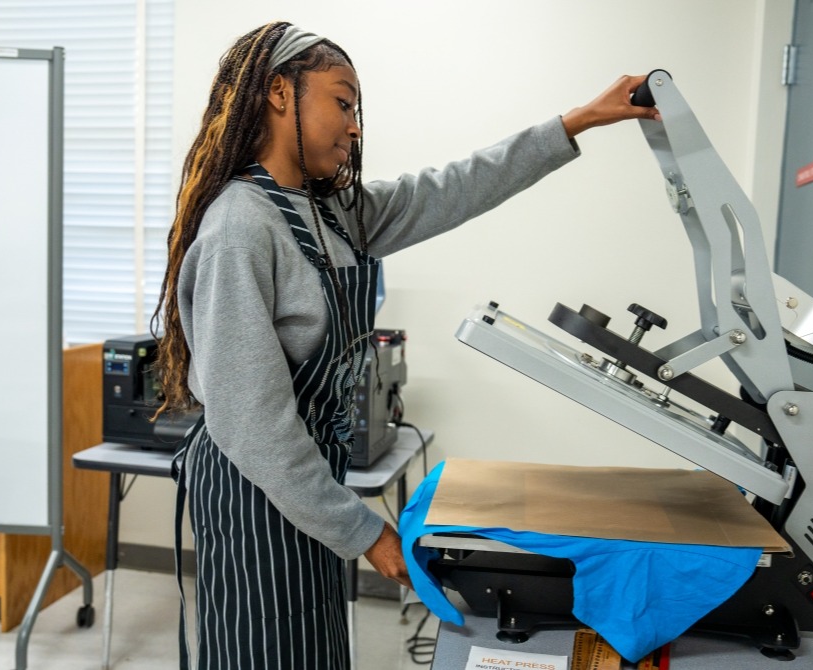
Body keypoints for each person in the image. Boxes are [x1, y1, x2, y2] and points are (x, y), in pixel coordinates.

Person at [151, 20, 659, 670]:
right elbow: (253, 425)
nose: (355, 127)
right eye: (342, 103)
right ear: (278, 92)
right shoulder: (240, 229)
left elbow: (450, 187)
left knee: (314, 649)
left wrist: (575, 122)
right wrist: (365, 532)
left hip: (308, 485)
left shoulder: (330, 210)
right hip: (256, 492)